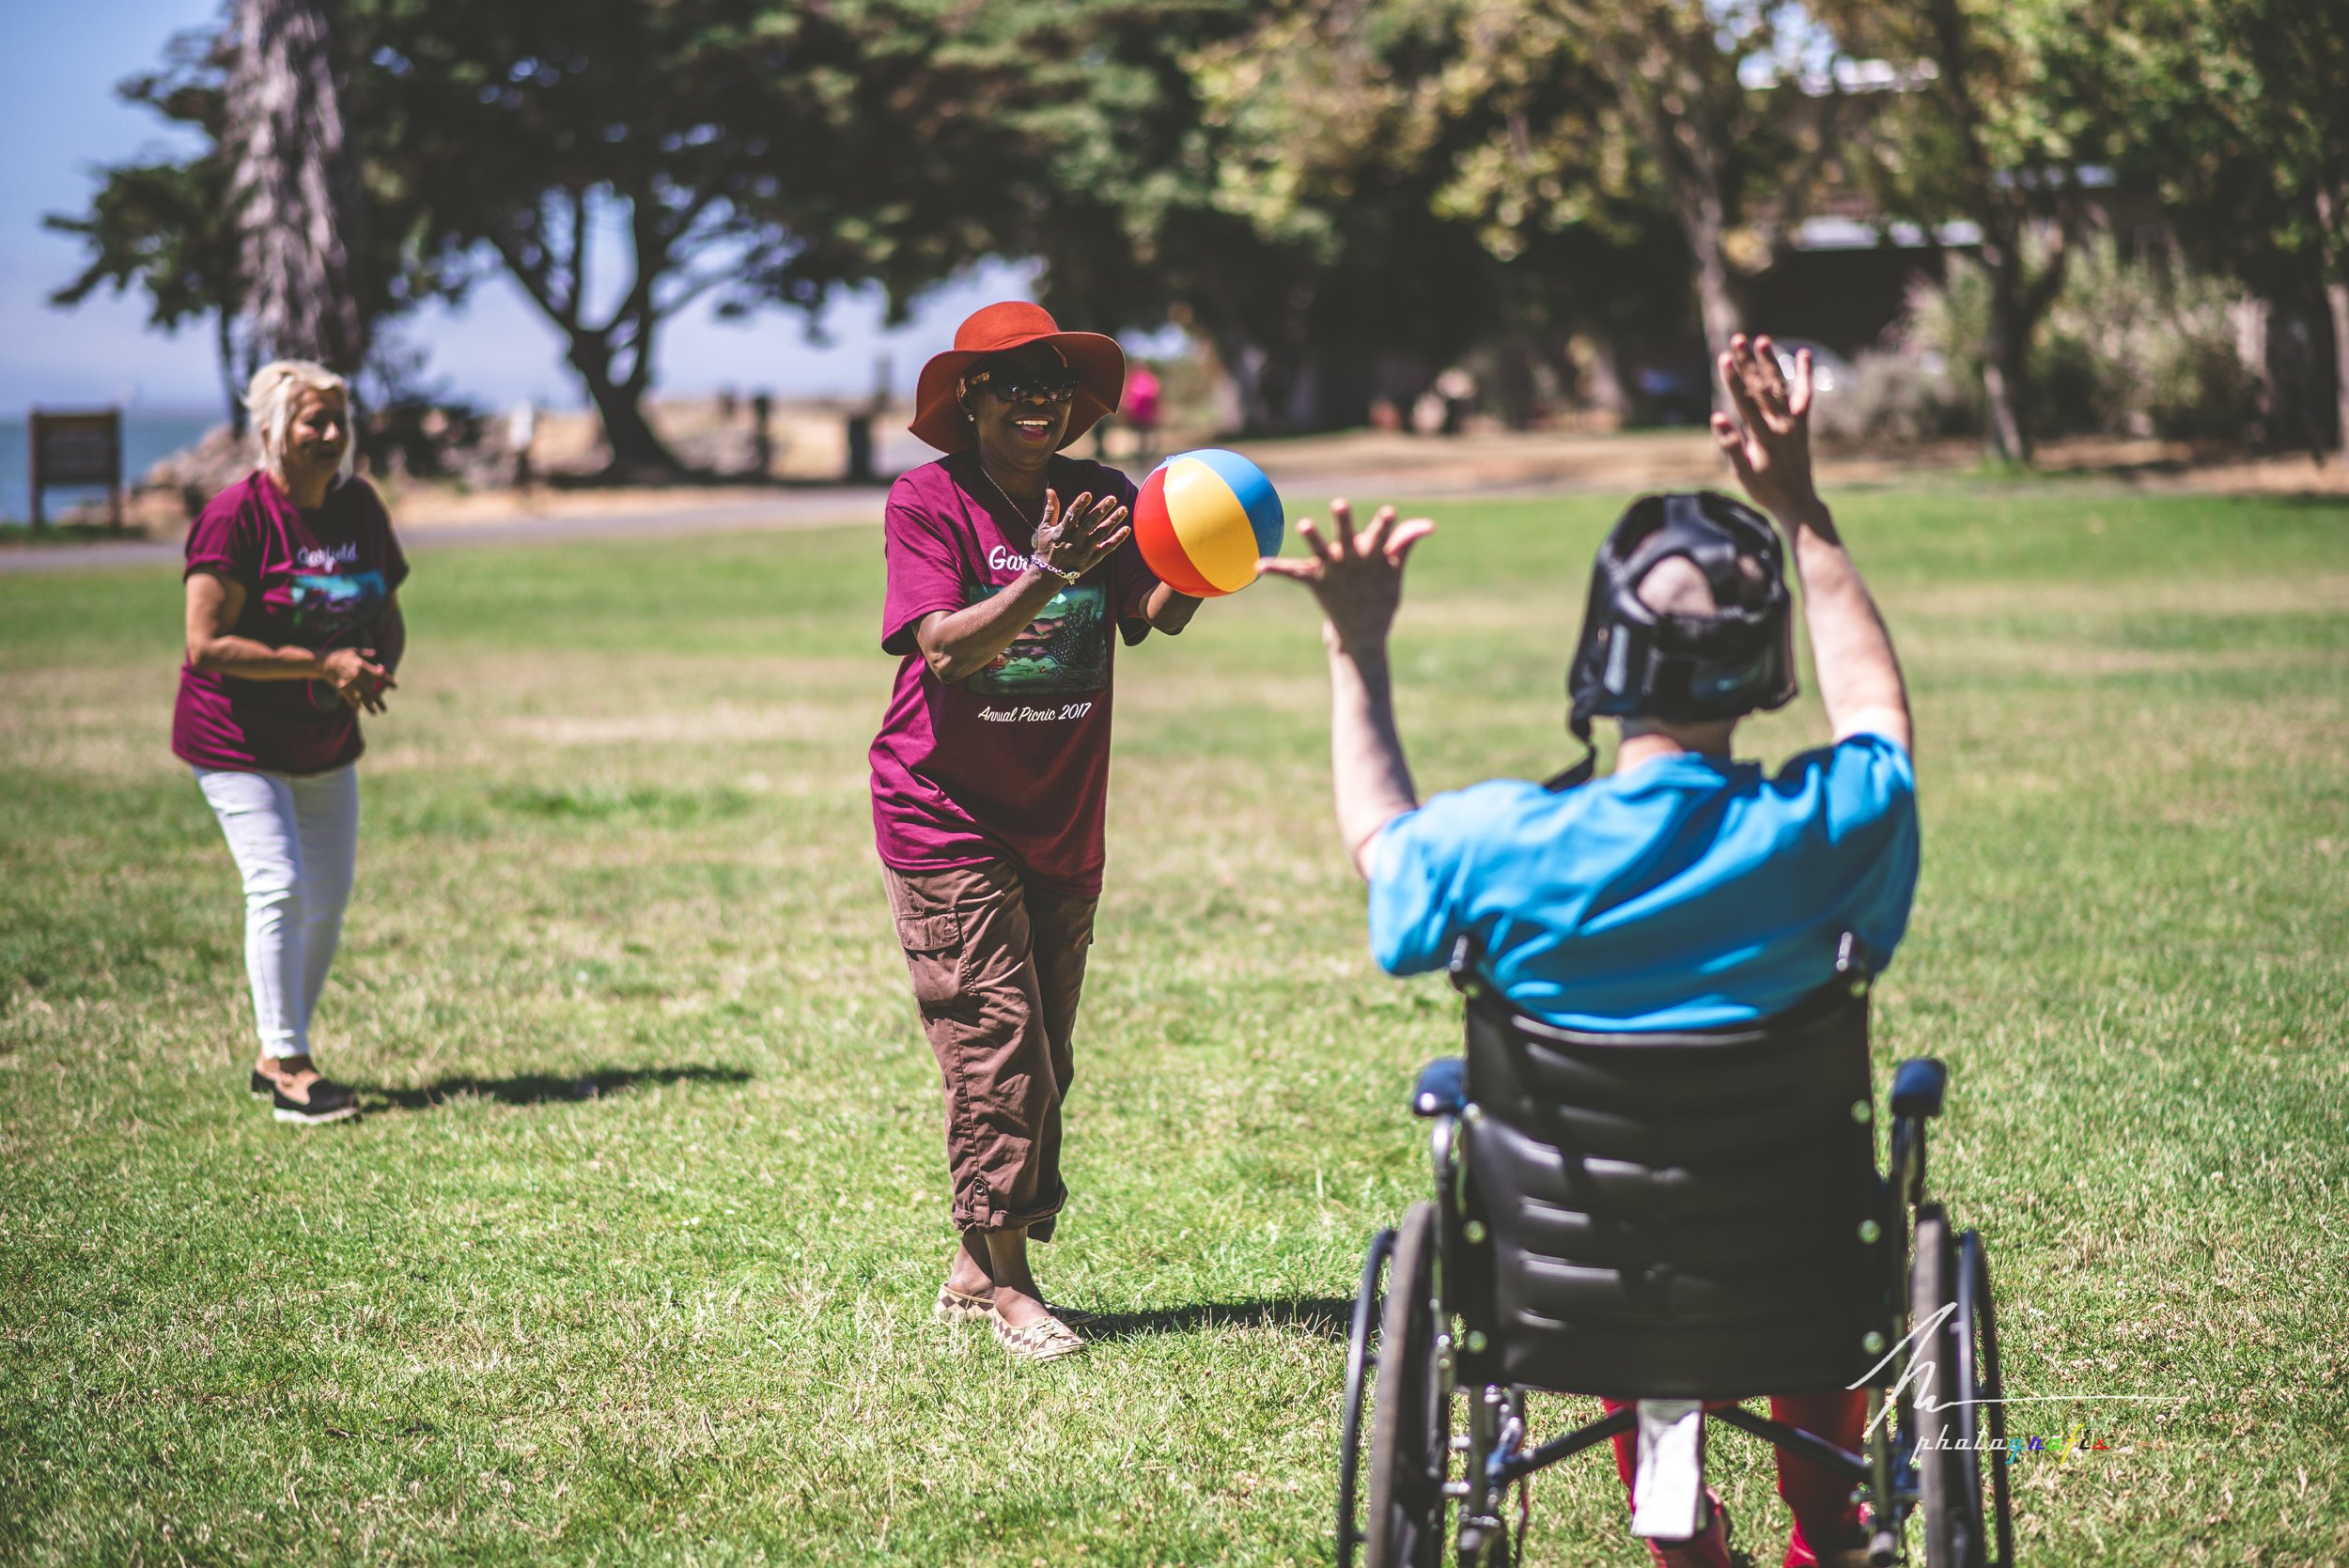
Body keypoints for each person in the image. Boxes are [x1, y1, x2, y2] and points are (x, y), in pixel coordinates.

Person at [1262, 334, 1917, 1568]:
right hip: (1796, 1261)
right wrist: (1801, 509)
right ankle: (1829, 1524)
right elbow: (1880, 720)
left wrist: (1356, 649)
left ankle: (1675, 1526)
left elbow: (1378, 840)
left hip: (1574, 1279)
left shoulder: (1501, 845)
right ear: (1768, 674)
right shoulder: (1826, 826)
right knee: (1790, 1236)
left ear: (1601, 664)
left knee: (1625, 1222)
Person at [871, 303, 1203, 1361]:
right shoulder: (929, 501)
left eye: (1052, 382)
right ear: (966, 396)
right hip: (944, 814)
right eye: (1012, 381)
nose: (1037, 399)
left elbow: (1148, 610)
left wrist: (1208, 559)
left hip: (1060, 812)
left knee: (1044, 1056)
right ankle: (1015, 1292)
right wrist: (1044, 574)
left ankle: (974, 1271)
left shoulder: (1102, 494)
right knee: (996, 1047)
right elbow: (945, 652)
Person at [177, 360, 407, 1126]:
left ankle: (276, 1055)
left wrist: (376, 667)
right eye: (314, 421)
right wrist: (324, 663)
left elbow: (387, 606)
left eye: (340, 420)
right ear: (271, 430)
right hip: (236, 735)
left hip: (324, 736)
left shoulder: (360, 508)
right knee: (278, 884)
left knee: (328, 901)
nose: (332, 436)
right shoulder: (235, 516)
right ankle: (291, 1063)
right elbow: (205, 643)